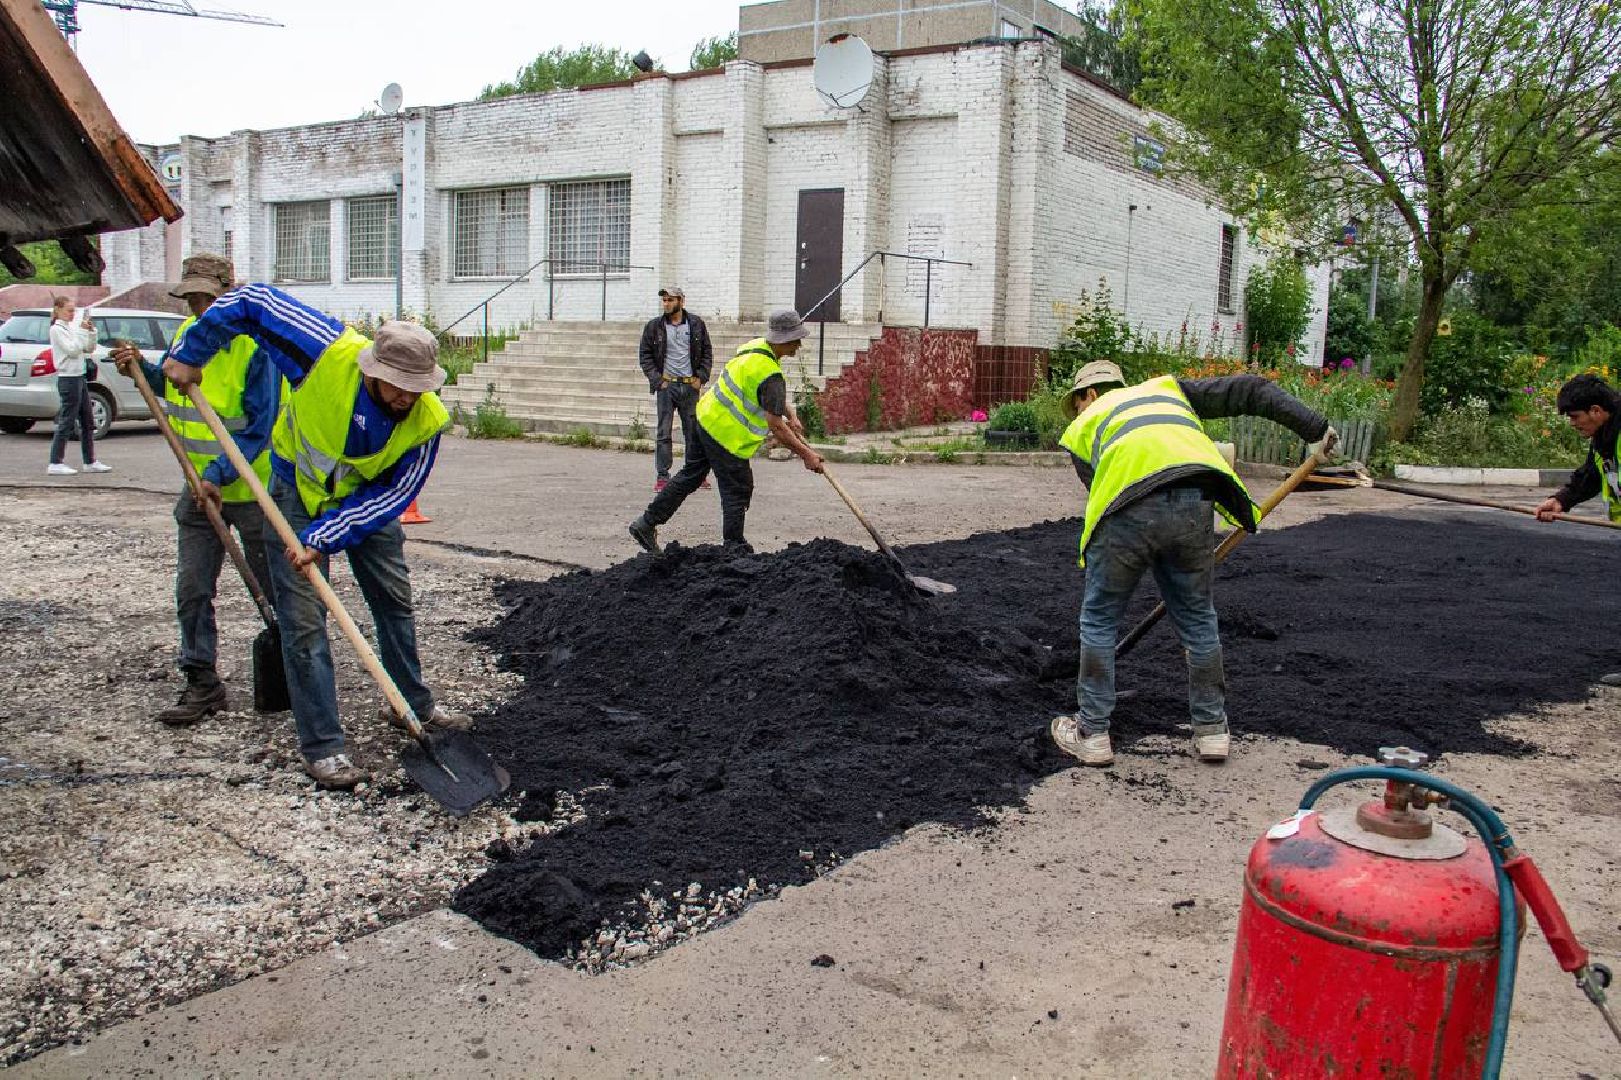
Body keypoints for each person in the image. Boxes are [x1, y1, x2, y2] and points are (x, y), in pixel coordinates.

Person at [162, 284, 468, 790]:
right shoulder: (326, 350)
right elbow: (253, 301)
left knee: (393, 600)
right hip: (297, 495)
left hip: (366, 505)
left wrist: (328, 534)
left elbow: (396, 495)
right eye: (397, 385)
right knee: (303, 621)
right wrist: (192, 352)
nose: (407, 397)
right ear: (373, 369)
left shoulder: (427, 420)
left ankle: (411, 705)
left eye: (417, 387)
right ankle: (323, 747)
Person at [1050, 360, 1334, 767]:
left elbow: (1105, 492)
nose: (1077, 411)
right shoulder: (1166, 390)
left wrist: (1137, 550)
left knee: (1099, 619)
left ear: (1088, 395)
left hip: (1127, 513)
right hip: (1194, 501)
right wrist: (1314, 427)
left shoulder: (1084, 424)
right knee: (1198, 617)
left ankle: (1092, 733)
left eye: (1075, 403)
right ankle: (1212, 731)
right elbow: (1250, 390)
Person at [112, 254, 280, 725]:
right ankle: (202, 682)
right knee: (191, 588)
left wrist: (220, 475)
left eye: (210, 298)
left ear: (231, 295)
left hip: (250, 493)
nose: (201, 308)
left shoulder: (255, 348)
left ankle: (295, 671)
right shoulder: (187, 337)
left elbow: (259, 426)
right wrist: (140, 371)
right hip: (198, 489)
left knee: (275, 589)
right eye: (193, 299)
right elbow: (170, 389)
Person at [628, 308, 825, 553]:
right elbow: (776, 427)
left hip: (705, 417)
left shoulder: (755, 348)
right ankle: (734, 547)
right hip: (725, 435)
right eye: (796, 339)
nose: (799, 345)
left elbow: (764, 392)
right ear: (784, 339)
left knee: (690, 476)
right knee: (737, 487)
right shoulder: (771, 374)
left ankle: (645, 523)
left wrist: (789, 412)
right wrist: (806, 454)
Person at [1536, 373, 1621, 684]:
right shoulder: (1605, 438)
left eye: (1575, 416)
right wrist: (1561, 500)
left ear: (1596, 411)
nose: (1572, 423)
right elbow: (1592, 475)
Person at [638, 286, 714, 490]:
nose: (666, 304)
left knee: (693, 432)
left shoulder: (696, 324)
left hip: (690, 385)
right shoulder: (654, 326)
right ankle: (663, 476)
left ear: (681, 301)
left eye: (671, 300)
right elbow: (645, 356)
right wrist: (658, 381)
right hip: (667, 386)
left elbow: (707, 352)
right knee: (664, 432)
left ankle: (695, 475)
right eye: (664, 300)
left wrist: (701, 378)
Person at [46, 297, 111, 476]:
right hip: (68, 378)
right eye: (68, 310)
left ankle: (89, 460)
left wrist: (90, 332)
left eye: (73, 310)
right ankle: (55, 461)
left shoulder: (71, 328)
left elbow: (88, 348)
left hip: (79, 377)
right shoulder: (57, 330)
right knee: (67, 420)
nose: (72, 314)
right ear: (58, 310)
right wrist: (82, 334)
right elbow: (73, 350)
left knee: (87, 421)